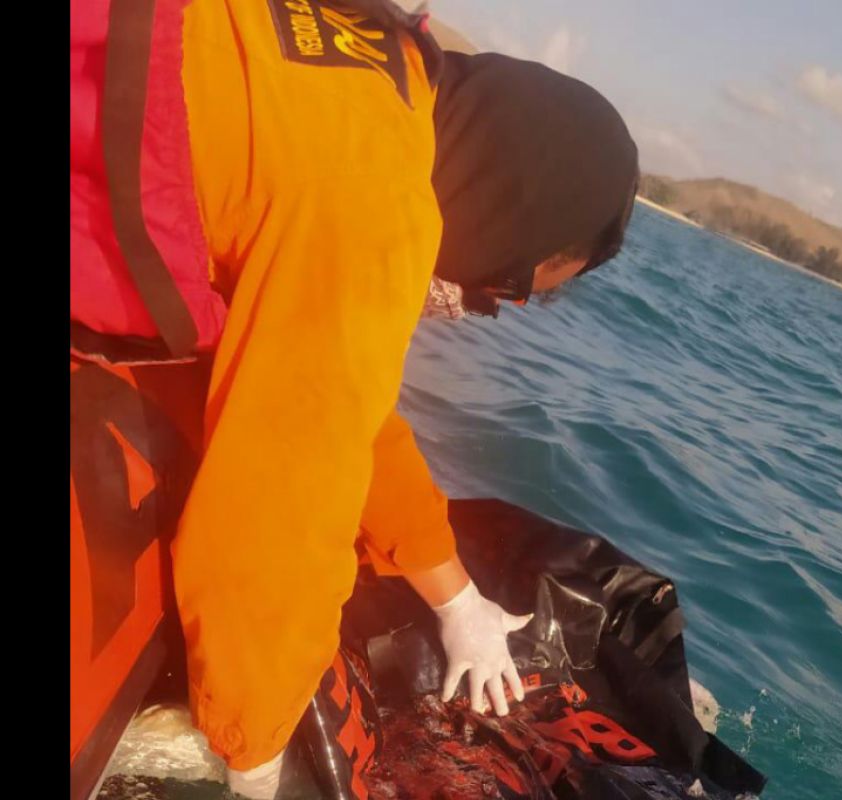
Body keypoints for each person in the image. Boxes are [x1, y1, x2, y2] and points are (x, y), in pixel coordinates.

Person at [70, 1, 637, 797]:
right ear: (508, 211)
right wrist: (254, 753)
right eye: (505, 288)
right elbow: (280, 506)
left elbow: (344, 408)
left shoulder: (385, 71)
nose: (482, 305)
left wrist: (457, 596)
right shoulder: (376, 210)